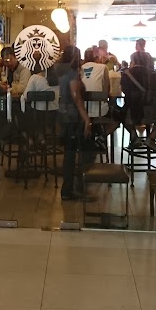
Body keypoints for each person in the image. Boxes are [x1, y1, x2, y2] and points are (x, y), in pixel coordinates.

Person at [57, 46, 92, 201]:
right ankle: (72, 188)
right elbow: (77, 98)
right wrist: (87, 119)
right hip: (72, 117)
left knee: (69, 153)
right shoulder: (72, 75)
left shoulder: (61, 73)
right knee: (77, 153)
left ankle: (69, 188)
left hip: (63, 115)